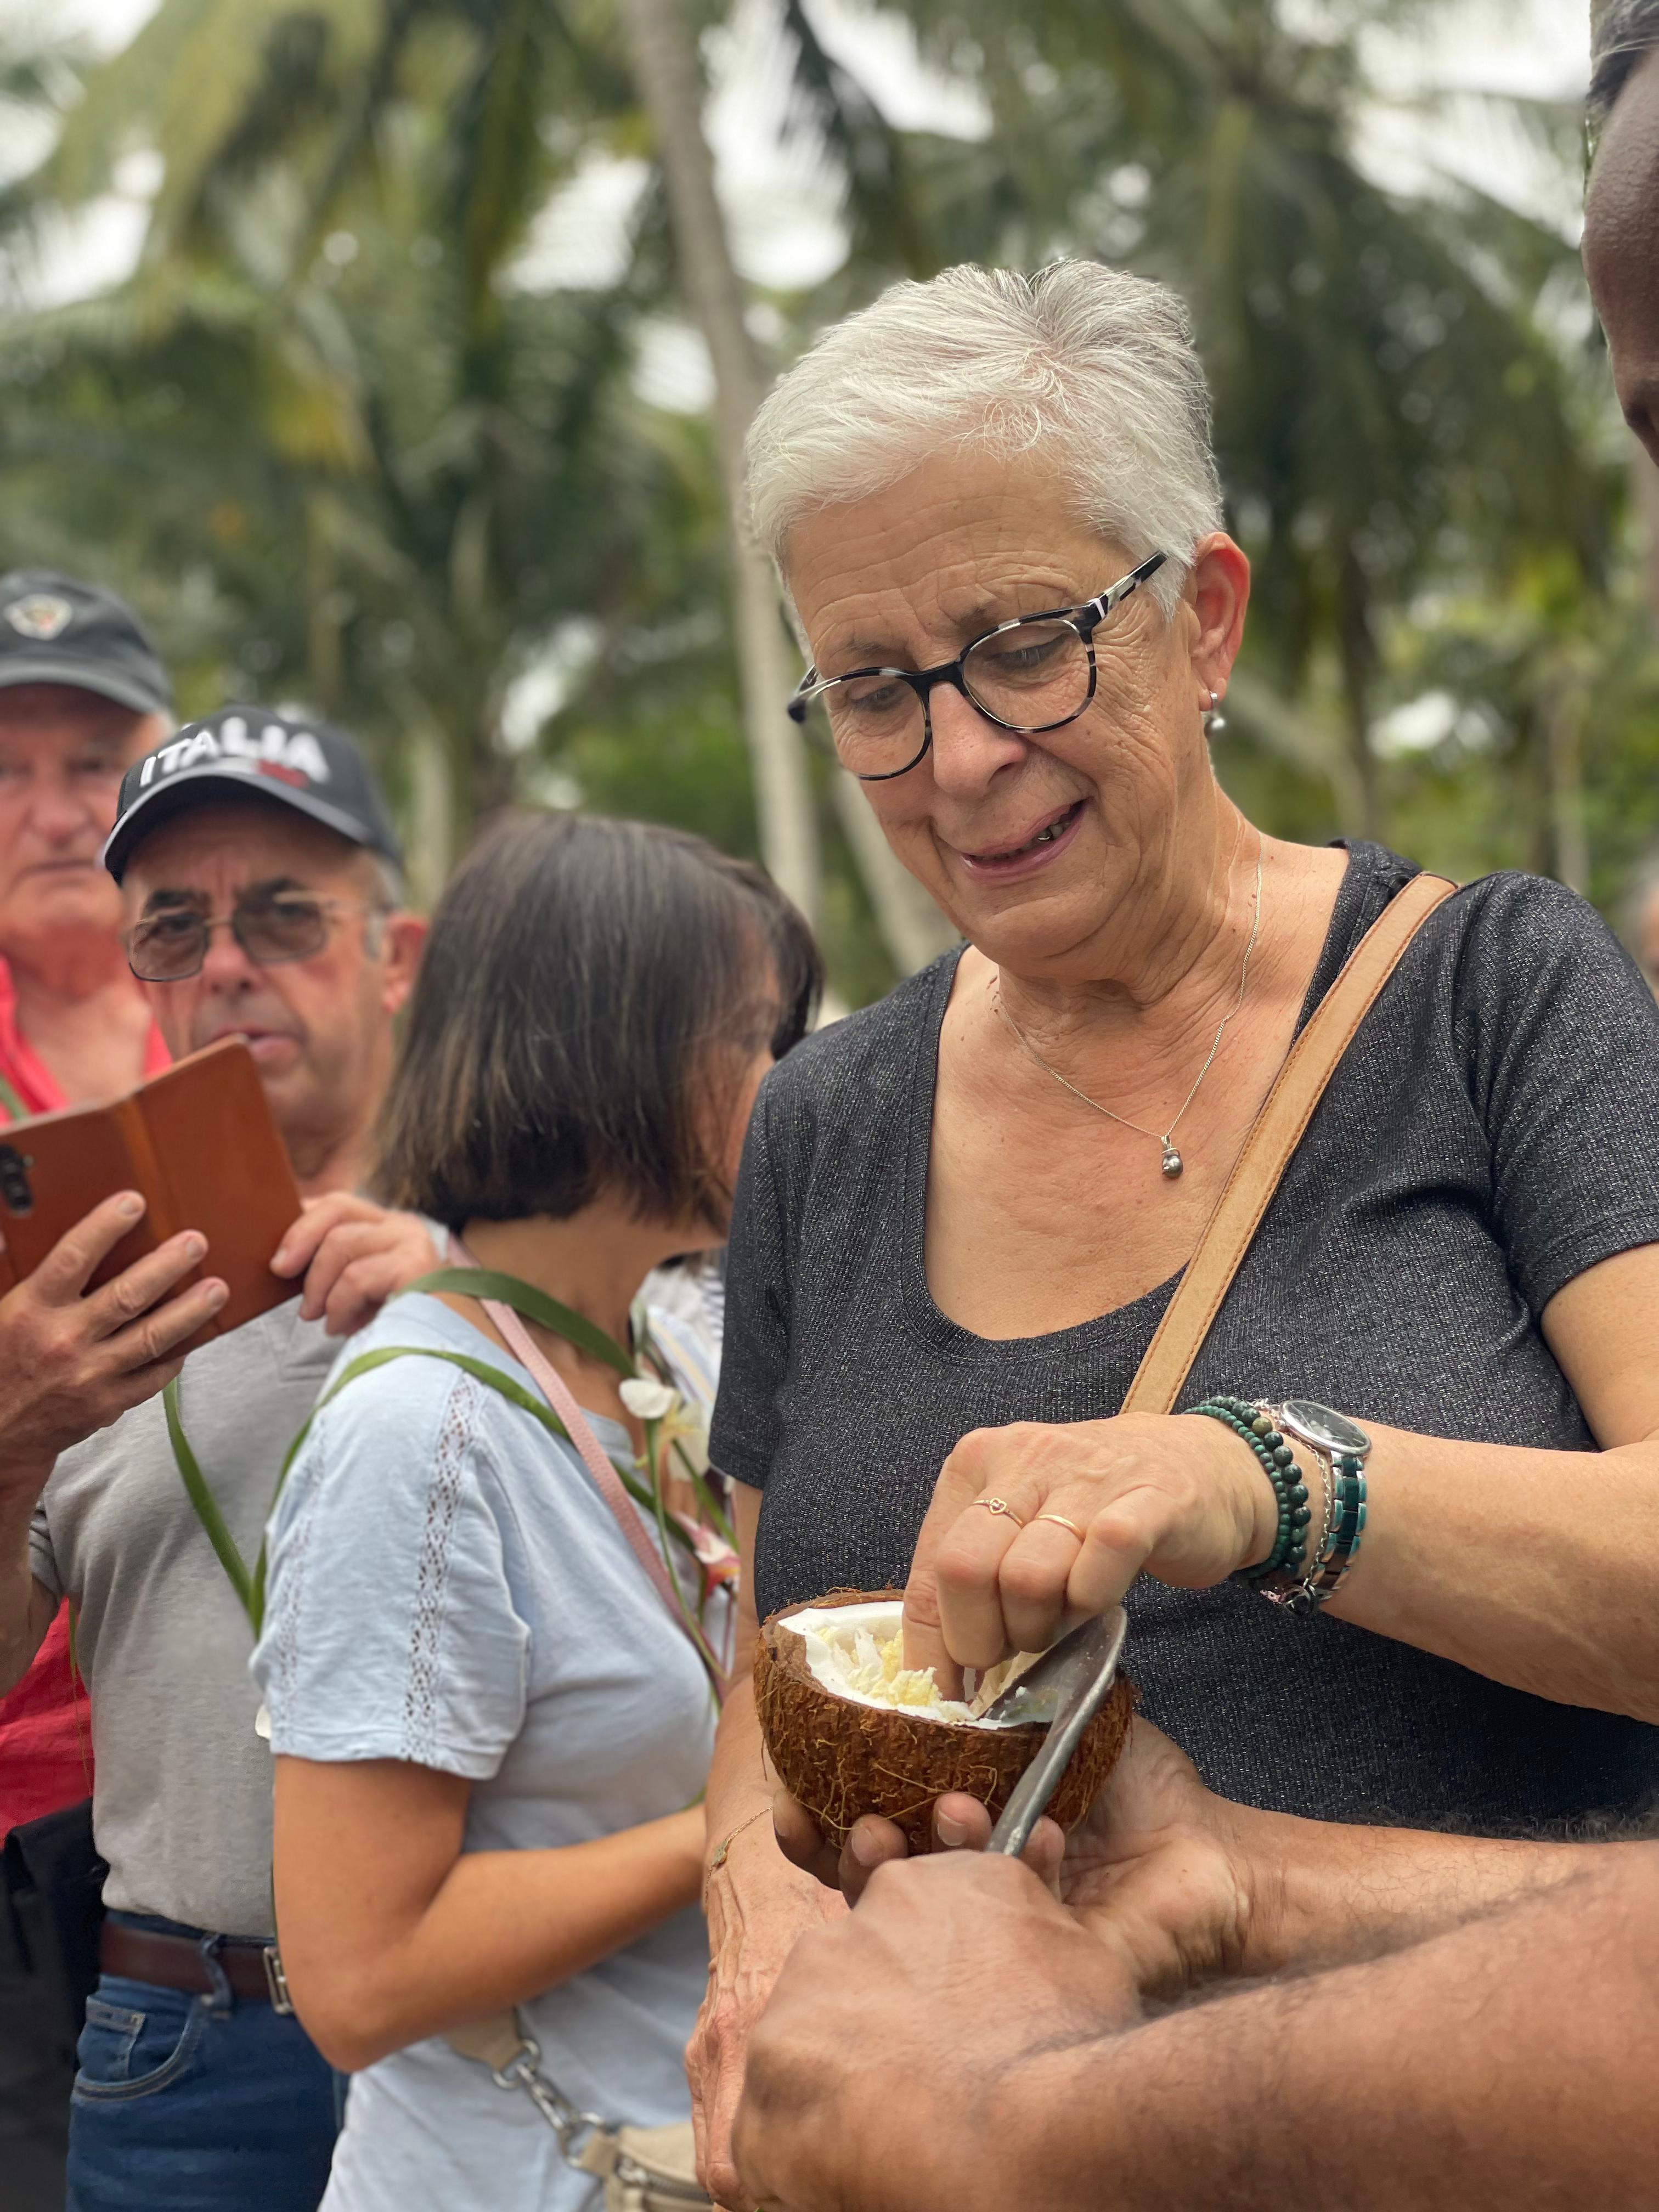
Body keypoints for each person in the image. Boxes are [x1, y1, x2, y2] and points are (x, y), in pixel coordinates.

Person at [718, 10, 1659, 2208]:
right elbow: (781, 1674)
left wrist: (1266, 1475)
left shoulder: (1497, 998)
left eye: (1023, 642)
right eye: (875, 688)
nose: (961, 758)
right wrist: (753, 1920)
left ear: (1203, 619)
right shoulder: (822, 1125)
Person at [251, 811, 819, 2212]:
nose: (790, 1087)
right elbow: (358, 1977)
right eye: (753, 1041)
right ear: (611, 1057)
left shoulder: (662, 1342)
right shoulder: (423, 1435)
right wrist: (741, 1819)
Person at [0, 705, 438, 2212]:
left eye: (285, 917)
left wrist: (479, 1309)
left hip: (487, 2020)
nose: (229, 963)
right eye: (175, 929)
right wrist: (13, 1434)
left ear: (395, 955)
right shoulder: (61, 1298)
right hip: (179, 2039)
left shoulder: (533, 1228)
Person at [0, 572, 174, 2212]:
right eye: (9, 771)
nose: (57, 811)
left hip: (254, 1769)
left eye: (94, 764)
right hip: (25, 1796)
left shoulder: (245, 1007)